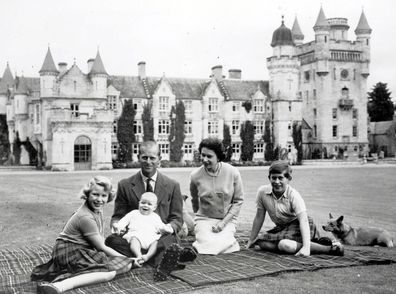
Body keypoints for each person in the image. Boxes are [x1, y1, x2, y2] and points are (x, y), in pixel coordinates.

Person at [105, 140, 197, 281]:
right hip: (134, 239)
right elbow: (118, 216)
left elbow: (177, 218)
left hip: (159, 238)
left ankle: (147, 258)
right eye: (145, 157)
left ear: (159, 159)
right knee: (111, 241)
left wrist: (169, 228)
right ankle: (165, 258)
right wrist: (116, 226)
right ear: (139, 158)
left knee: (170, 239)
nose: (148, 162)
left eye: (152, 158)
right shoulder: (125, 185)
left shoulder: (172, 185)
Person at [31, 176, 136, 294]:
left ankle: (74, 274)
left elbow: (99, 240)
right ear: (87, 194)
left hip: (80, 249)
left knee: (124, 265)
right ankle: (59, 286)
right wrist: (127, 258)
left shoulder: (97, 211)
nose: (99, 199)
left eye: (103, 196)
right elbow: (102, 247)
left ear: (108, 197)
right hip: (69, 250)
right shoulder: (85, 217)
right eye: (95, 194)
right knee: (109, 273)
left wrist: (125, 260)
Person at [247, 161, 344, 256]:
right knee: (261, 242)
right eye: (274, 178)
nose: (277, 182)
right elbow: (259, 217)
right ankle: (315, 243)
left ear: (288, 179)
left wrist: (306, 248)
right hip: (282, 228)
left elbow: (304, 220)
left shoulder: (294, 195)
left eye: (280, 178)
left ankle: (329, 248)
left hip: (300, 225)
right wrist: (251, 239)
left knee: (284, 245)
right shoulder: (262, 192)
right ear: (269, 178)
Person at [190, 137, 244, 254]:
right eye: (202, 155)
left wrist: (223, 222)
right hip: (204, 219)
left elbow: (238, 201)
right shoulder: (195, 175)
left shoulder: (233, 172)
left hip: (227, 219)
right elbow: (194, 199)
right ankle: (219, 244)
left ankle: (221, 243)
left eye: (209, 156)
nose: (204, 159)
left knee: (221, 241)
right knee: (206, 240)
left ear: (218, 157)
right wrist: (200, 218)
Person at [114, 192, 173, 265]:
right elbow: (124, 221)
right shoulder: (134, 213)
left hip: (150, 237)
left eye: (149, 204)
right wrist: (118, 226)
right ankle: (138, 255)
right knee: (134, 240)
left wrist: (165, 228)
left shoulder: (155, 217)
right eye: (143, 203)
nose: (145, 205)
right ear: (139, 203)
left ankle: (148, 256)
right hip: (136, 235)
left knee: (156, 243)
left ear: (154, 207)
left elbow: (160, 227)